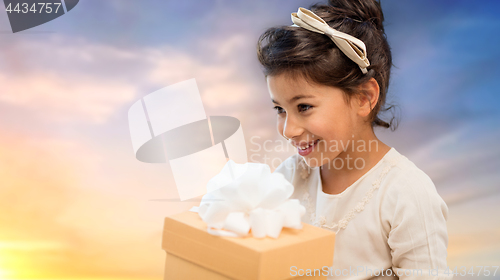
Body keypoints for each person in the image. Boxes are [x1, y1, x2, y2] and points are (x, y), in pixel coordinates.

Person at [256, 0, 451, 279]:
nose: (288, 130)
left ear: (363, 98)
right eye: (279, 109)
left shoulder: (406, 194)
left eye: (304, 107)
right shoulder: (288, 178)